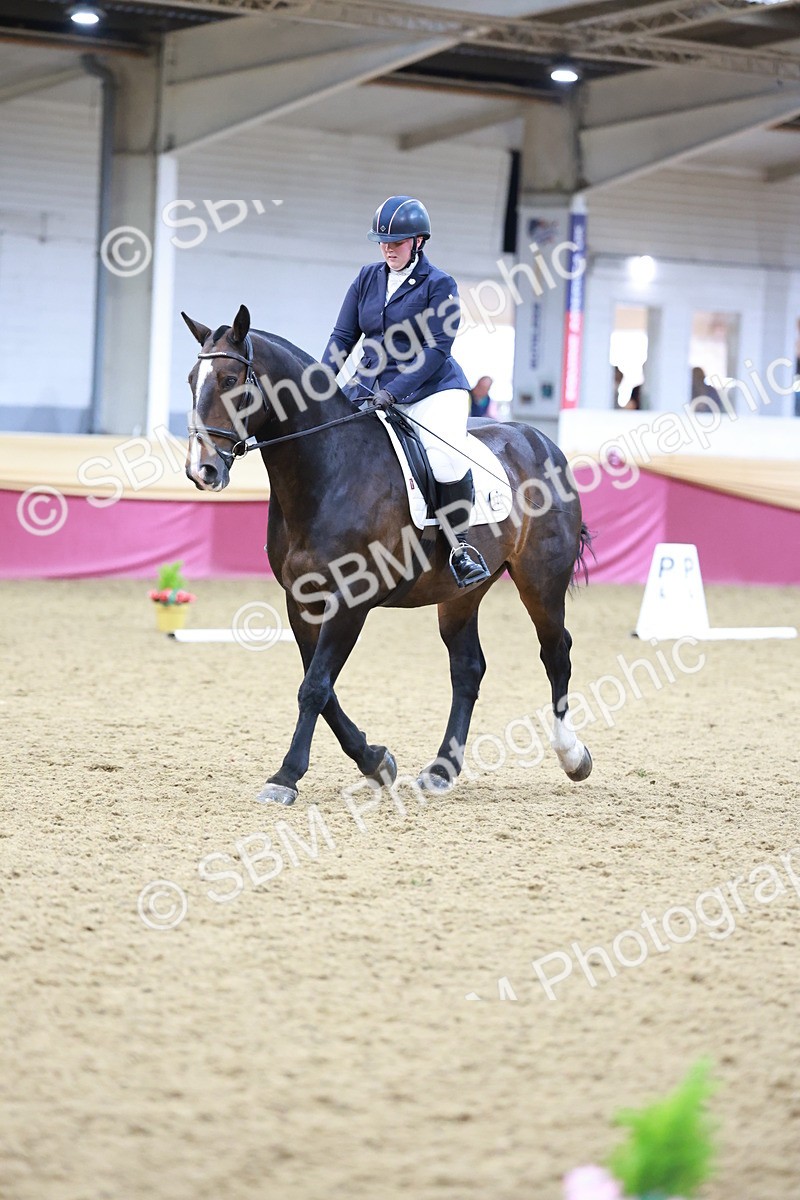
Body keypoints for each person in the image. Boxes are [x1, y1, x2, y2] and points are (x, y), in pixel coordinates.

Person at [321, 195, 489, 588]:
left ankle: (459, 547)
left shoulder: (439, 284)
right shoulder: (367, 277)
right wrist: (321, 381)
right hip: (370, 385)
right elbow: (343, 337)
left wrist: (394, 392)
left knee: (445, 458)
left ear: (419, 241)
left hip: (433, 390)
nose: (387, 247)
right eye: (382, 240)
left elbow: (436, 349)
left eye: (396, 241)